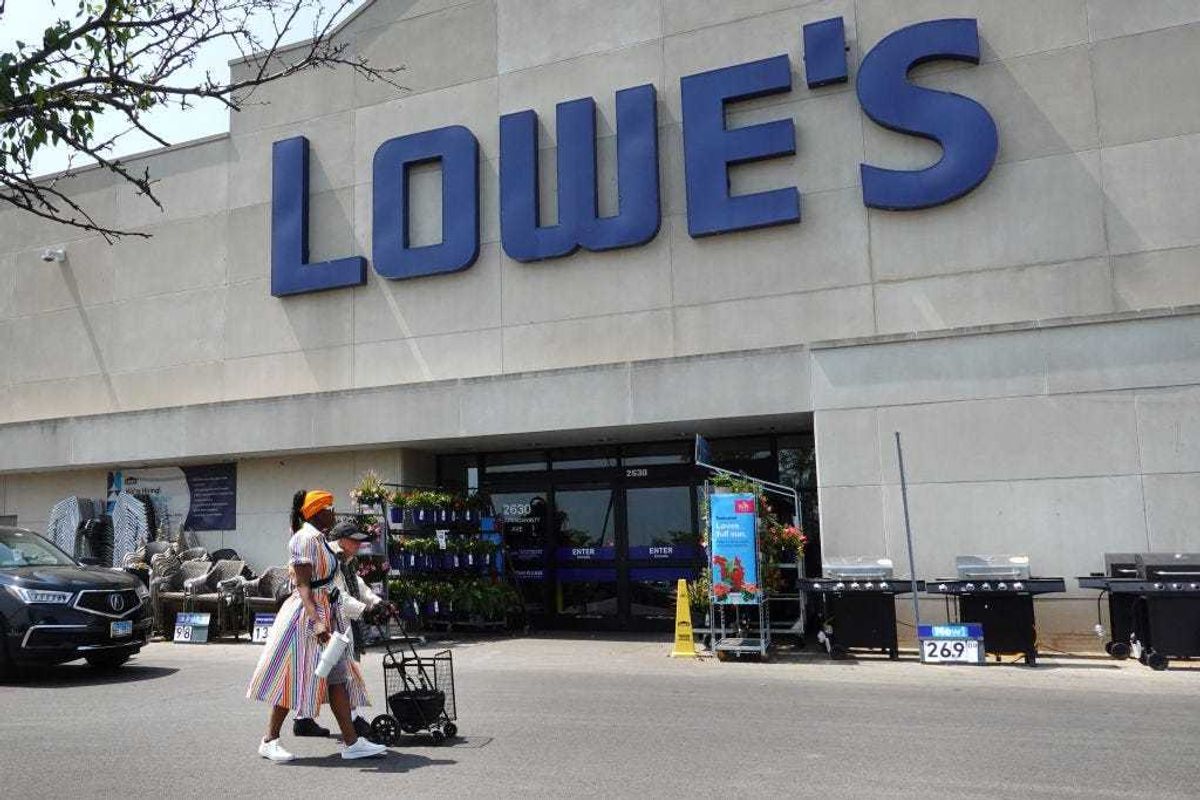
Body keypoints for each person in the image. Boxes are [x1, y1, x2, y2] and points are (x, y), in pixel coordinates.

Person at [245, 489, 388, 762]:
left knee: (337, 679)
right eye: (330, 509)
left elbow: (328, 585)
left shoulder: (318, 539)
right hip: (305, 619)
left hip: (324, 614)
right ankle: (269, 740)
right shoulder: (304, 538)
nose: (334, 513)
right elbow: (302, 585)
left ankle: (352, 742)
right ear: (317, 511)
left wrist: (355, 610)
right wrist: (318, 621)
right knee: (292, 677)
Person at [326, 519, 384, 739]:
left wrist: (376, 602)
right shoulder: (333, 561)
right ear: (341, 541)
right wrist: (365, 609)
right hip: (327, 623)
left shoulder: (348, 561)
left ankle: (305, 719)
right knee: (331, 675)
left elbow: (357, 585)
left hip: (341, 622)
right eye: (354, 541)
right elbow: (338, 594)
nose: (359, 545)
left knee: (341, 675)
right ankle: (352, 720)